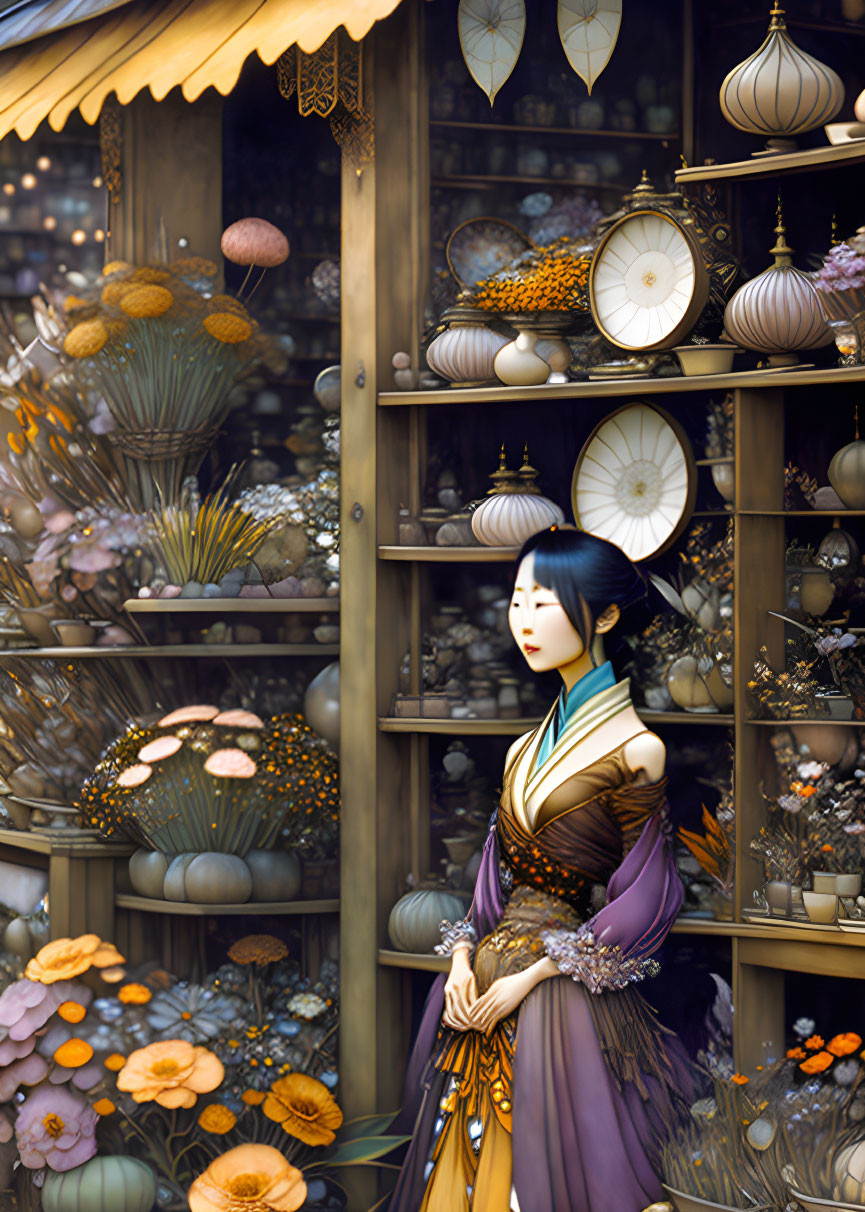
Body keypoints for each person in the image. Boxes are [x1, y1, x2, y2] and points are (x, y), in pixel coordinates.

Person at [390, 525, 695, 1212]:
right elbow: (489, 887)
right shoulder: (521, 750)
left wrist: (534, 975)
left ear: (605, 615)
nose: (524, 621)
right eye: (517, 602)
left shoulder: (636, 748)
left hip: (560, 988)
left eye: (544, 604)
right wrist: (463, 958)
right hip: (485, 979)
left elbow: (646, 897)